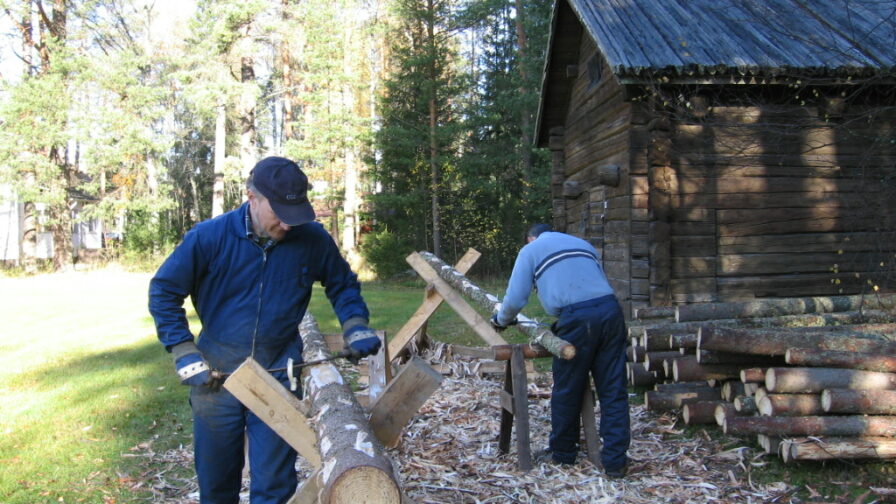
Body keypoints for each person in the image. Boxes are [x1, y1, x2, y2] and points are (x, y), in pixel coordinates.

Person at [148, 156, 381, 503]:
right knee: (216, 483)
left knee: (274, 485)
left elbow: (342, 284)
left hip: (279, 372)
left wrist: (355, 324)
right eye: (280, 215)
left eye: (295, 215)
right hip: (216, 376)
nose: (288, 225)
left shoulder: (312, 239)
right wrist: (182, 348)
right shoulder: (209, 238)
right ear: (252, 198)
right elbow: (164, 290)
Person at [490, 223, 630, 477]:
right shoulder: (582, 244)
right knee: (613, 389)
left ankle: (564, 454)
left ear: (531, 238)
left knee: (568, 388)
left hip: (577, 318)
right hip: (611, 312)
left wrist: (500, 319)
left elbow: (516, 298)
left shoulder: (531, 250)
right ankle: (615, 462)